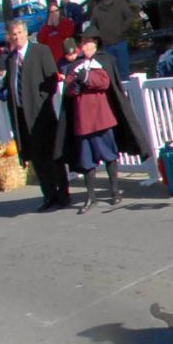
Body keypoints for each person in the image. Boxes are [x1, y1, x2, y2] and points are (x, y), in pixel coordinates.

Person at [60, 32, 149, 211]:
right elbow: (69, 87)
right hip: (83, 121)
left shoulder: (103, 61)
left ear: (95, 44)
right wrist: (73, 87)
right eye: (82, 43)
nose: (84, 46)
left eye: (88, 42)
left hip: (102, 118)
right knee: (87, 162)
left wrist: (86, 78)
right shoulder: (74, 66)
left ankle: (115, 191)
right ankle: (91, 196)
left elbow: (105, 82)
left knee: (109, 155)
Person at [0, 18, 70, 211]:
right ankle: (49, 195)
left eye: (20, 33)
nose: (17, 37)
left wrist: (40, 99)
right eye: (13, 35)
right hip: (22, 116)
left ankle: (63, 194)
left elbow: (51, 80)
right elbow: (11, 84)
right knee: (37, 159)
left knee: (51, 156)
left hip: (41, 115)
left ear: (25, 33)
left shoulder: (40, 51)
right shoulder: (11, 59)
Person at [86, 0, 140, 78]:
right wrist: (99, 37)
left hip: (120, 42)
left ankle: (125, 91)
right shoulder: (97, 9)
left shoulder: (120, 3)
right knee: (110, 73)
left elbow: (130, 17)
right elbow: (93, 26)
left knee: (124, 71)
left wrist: (123, 29)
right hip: (106, 46)